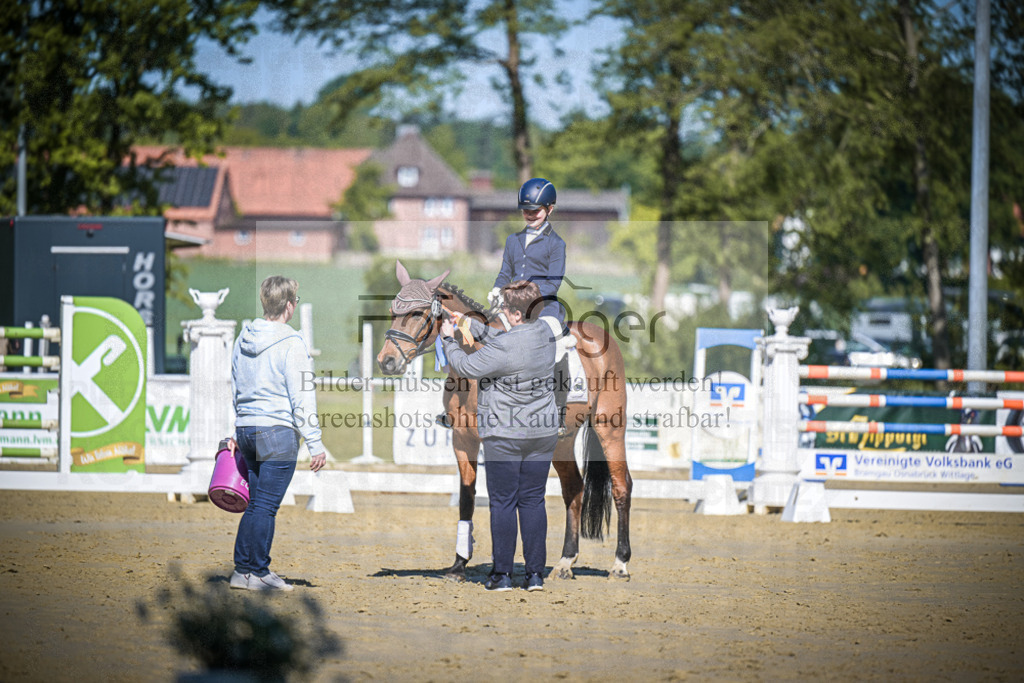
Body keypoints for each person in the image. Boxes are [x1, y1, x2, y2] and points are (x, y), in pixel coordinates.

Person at [440, 280, 557, 592]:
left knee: (503, 502)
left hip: (506, 435)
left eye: (507, 308)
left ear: (517, 314)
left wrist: (450, 339)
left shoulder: (502, 350)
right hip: (542, 433)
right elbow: (504, 338)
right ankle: (534, 575)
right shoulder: (546, 335)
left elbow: (465, 365)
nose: (503, 312)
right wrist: (468, 325)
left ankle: (502, 575)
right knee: (533, 500)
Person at [228, 276, 326, 592]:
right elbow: (302, 396)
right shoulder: (292, 342)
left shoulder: (243, 336)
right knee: (265, 506)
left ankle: (243, 570)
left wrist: (237, 426)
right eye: (295, 300)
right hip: (277, 431)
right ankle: (257, 571)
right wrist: (315, 441)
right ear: (289, 305)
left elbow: (235, 383)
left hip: (247, 428)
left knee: (256, 503)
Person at [489, 177, 573, 437]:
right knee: (483, 337)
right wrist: (497, 289)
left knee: (558, 347)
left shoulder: (556, 244)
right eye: (526, 210)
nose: (529, 214)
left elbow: (553, 284)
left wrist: (524, 297)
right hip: (511, 308)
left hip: (544, 309)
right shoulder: (513, 241)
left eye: (535, 210)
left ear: (550, 209)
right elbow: (505, 273)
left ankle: (559, 411)